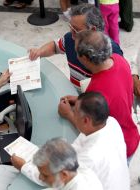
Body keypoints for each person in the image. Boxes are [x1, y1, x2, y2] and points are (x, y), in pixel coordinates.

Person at [12, 92, 130, 190]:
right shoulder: (110, 122)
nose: (72, 111)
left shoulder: (89, 159)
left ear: (86, 121)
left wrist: (23, 166)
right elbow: (80, 142)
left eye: (75, 111)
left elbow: (52, 176)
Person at [60, 30, 139, 159]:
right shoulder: (119, 60)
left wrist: (68, 113)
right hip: (130, 134)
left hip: (116, 149)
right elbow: (114, 95)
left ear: (84, 58)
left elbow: (89, 130)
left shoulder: (96, 92)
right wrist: (81, 99)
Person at [28, 4, 122, 93]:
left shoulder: (112, 52)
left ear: (92, 30)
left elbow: (115, 83)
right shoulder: (70, 38)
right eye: (70, 27)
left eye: (76, 30)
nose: (72, 33)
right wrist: (39, 52)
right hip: (74, 93)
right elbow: (55, 46)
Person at [12, 137, 103, 190]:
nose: (40, 177)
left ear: (64, 174)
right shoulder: (81, 170)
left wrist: (23, 167)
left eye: (45, 175)